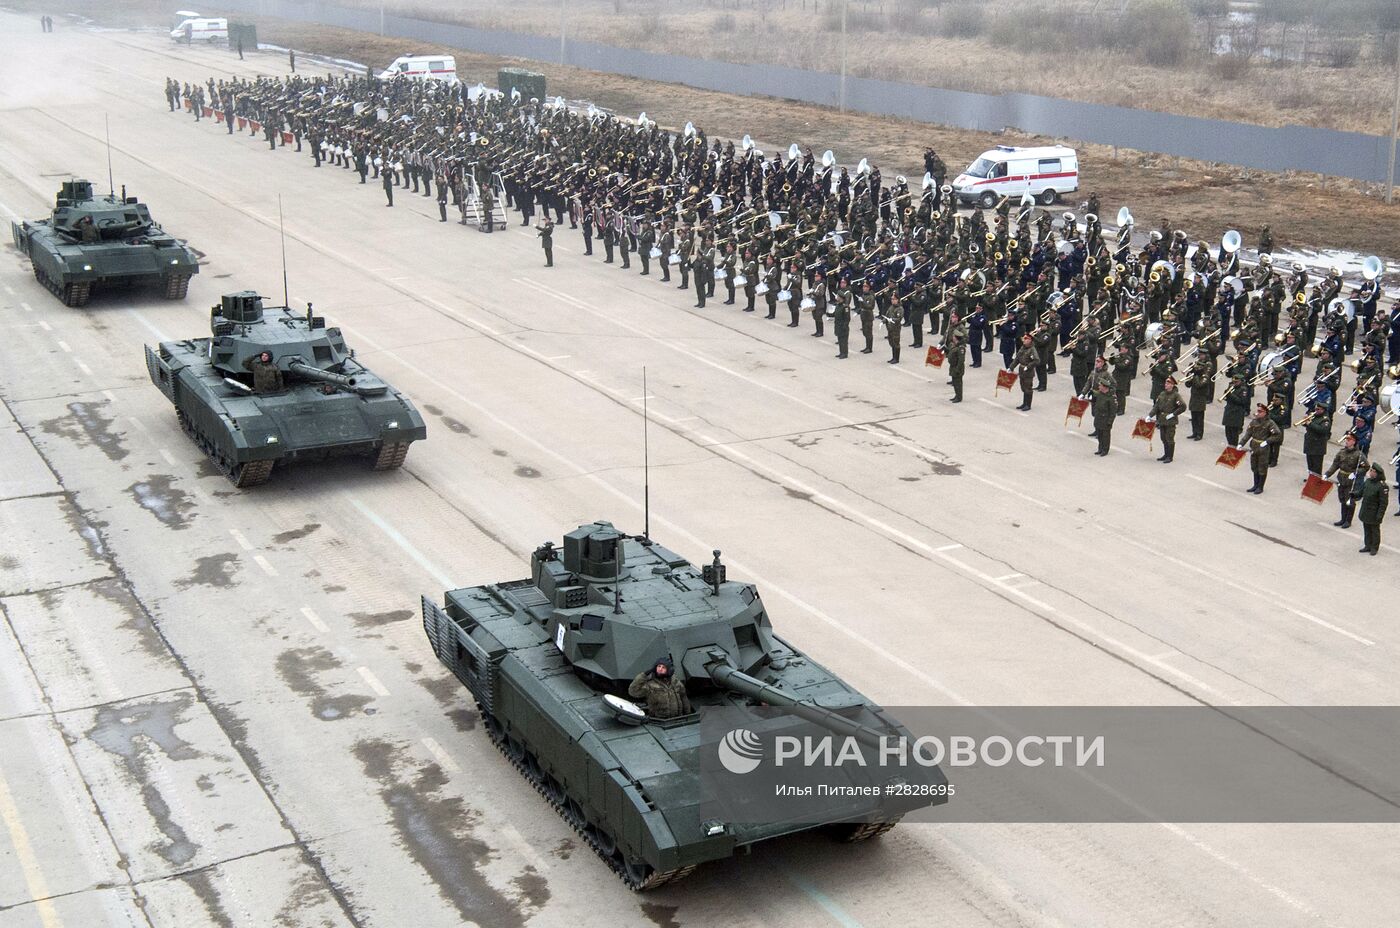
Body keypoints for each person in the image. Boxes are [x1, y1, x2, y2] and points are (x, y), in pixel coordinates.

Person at [1325, 433, 1366, 528]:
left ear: (1354, 442)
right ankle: (1343, 519)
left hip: (1351, 481)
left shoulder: (1359, 455)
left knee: (1350, 500)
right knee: (1342, 499)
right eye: (1346, 440)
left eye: (1349, 440)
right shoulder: (1341, 452)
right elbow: (1335, 465)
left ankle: (1348, 520)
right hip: (1341, 478)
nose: (1346, 442)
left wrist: (1355, 473)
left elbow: (1365, 467)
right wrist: (1327, 474)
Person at [1244, 403, 1282, 494]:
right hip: (1254, 446)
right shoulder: (1254, 422)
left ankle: (1260, 487)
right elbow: (1248, 433)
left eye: (1260, 411)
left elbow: (1277, 435)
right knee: (1254, 466)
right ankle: (1255, 485)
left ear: (1265, 412)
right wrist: (1241, 443)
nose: (1258, 413)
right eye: (1258, 411)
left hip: (1263, 448)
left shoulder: (1270, 423)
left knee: (1262, 467)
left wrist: (1267, 441)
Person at [1150, 376, 1186, 463]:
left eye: (1168, 383)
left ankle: (1170, 456)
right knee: (1163, 438)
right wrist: (1150, 415)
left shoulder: (1176, 396)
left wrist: (1173, 414)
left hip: (1170, 421)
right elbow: (1157, 406)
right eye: (1166, 383)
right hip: (1162, 420)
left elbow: (1183, 406)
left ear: (1172, 385)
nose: (1166, 385)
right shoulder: (1162, 394)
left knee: (1169, 438)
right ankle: (1165, 454)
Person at [1356, 464, 1388, 555]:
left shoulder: (1382, 486)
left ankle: (1374, 547)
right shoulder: (1368, 482)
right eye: (1370, 470)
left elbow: (1383, 503)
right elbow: (1361, 492)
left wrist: (1380, 515)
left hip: (1374, 512)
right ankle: (1367, 545)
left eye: (1372, 471)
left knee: (1374, 531)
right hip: (1365, 510)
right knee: (1366, 529)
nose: (1370, 472)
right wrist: (1354, 494)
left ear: (1376, 473)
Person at [1088, 356, 1116, 456]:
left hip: (1105, 418)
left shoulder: (1110, 397)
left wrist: (1110, 422)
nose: (1096, 363)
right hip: (1099, 416)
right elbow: (1090, 385)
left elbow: (1113, 411)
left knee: (1105, 435)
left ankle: (1105, 449)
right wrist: (1086, 394)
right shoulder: (1099, 393)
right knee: (1100, 434)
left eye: (1099, 361)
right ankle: (1100, 448)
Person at [1014, 333, 1037, 410]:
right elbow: (1017, 358)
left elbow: (1037, 360)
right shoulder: (1023, 348)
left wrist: (1028, 366)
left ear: (1030, 340)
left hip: (1028, 372)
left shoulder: (1032, 349)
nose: (1024, 340)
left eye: (1026, 339)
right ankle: (1024, 403)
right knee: (1023, 387)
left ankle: (1028, 405)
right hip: (1021, 370)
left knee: (1028, 388)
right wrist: (1011, 368)